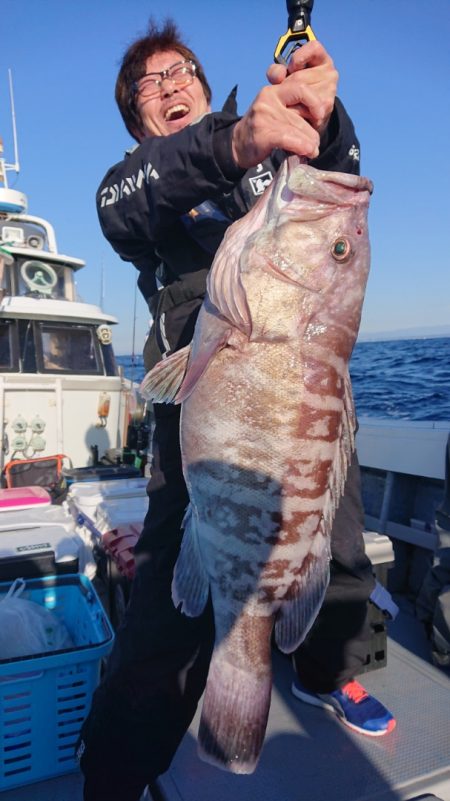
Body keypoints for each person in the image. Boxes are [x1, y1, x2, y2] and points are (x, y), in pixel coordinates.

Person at [78, 18, 395, 800]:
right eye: (150, 84)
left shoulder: (274, 164)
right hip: (201, 425)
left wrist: (323, 110)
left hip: (299, 405)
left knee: (337, 547)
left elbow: (336, 168)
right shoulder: (141, 181)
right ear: (136, 119)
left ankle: (331, 671)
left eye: (181, 71)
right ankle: (119, 768)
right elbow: (125, 205)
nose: (171, 86)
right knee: (164, 617)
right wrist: (239, 140)